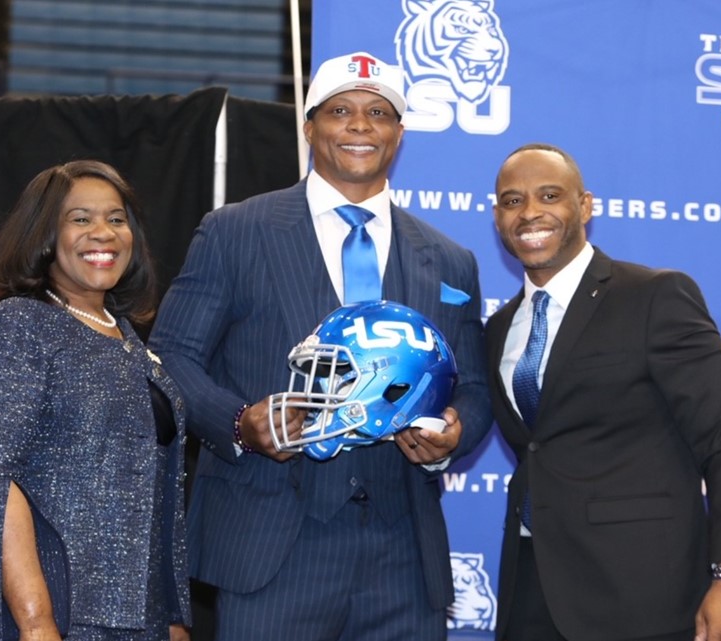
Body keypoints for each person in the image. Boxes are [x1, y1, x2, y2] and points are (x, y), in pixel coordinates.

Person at [147, 51, 492, 641]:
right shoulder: (234, 232)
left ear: (399, 133)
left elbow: (476, 387)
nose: (360, 125)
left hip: (403, 555)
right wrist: (237, 424)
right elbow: (171, 356)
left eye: (378, 112)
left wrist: (453, 435)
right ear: (310, 127)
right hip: (272, 547)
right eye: (340, 111)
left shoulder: (451, 259)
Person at [485, 143, 721, 641]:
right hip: (530, 588)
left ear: (585, 206)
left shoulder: (655, 297)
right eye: (512, 200)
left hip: (642, 594)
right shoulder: (500, 328)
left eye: (550, 195)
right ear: (497, 216)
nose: (530, 212)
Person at [0, 160, 191, 641]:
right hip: (56, 608)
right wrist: (36, 622)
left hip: (141, 618)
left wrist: (173, 618)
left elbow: (156, 495)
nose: (104, 233)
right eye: (81, 219)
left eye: (117, 219)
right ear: (45, 235)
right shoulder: (19, 326)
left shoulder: (128, 340)